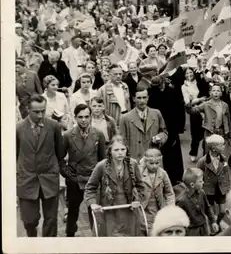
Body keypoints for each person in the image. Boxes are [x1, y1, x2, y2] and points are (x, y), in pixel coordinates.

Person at [16, 95, 64, 237]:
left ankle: (47, 247)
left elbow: (59, 152)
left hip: (49, 179)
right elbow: (14, 155)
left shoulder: (54, 126)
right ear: (27, 110)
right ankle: (32, 242)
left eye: (43, 111)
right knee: (29, 220)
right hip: (27, 180)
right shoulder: (18, 129)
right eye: (36, 112)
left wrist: (58, 171)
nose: (40, 115)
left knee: (51, 221)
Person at [58, 103, 106, 236]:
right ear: (75, 118)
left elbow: (103, 160)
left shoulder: (98, 134)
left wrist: (101, 178)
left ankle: (97, 236)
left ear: (91, 117)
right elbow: (59, 158)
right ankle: (70, 236)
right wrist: (67, 173)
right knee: (73, 211)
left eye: (86, 116)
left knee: (95, 211)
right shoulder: (68, 135)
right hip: (75, 179)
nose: (83, 120)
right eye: (80, 117)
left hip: (93, 179)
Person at [84, 136, 145, 237]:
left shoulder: (133, 164)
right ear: (110, 151)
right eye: (116, 150)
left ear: (126, 150)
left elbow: (140, 186)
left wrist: (137, 200)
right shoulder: (101, 166)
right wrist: (92, 204)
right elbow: (90, 188)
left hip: (129, 210)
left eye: (123, 149)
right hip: (109, 212)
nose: (120, 152)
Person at [147, 75, 185, 184]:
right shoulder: (172, 93)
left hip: (159, 128)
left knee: (162, 152)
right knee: (172, 154)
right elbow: (179, 112)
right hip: (171, 128)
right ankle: (174, 177)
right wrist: (179, 128)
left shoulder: (151, 95)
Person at [119, 86, 168, 160]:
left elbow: (164, 132)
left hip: (153, 158)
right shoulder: (125, 118)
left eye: (144, 97)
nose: (142, 101)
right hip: (135, 159)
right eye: (139, 98)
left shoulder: (156, 114)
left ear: (148, 98)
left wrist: (159, 138)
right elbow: (122, 142)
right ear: (134, 99)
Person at [138, 148, 175, 235]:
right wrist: (141, 166)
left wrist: (170, 207)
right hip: (144, 209)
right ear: (145, 162)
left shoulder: (163, 174)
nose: (154, 166)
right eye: (151, 163)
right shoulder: (140, 172)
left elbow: (169, 192)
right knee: (146, 230)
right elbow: (135, 182)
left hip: (158, 208)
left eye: (157, 163)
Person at [190, 83, 231, 155]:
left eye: (218, 91)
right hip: (210, 132)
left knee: (221, 154)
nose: (216, 92)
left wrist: (230, 135)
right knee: (209, 154)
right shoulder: (206, 104)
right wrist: (189, 103)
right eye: (214, 90)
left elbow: (228, 121)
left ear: (221, 93)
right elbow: (192, 111)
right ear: (210, 93)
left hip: (221, 132)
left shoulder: (225, 105)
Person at [175, 168, 219, 236]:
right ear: (192, 185)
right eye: (200, 181)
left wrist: (213, 222)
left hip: (204, 226)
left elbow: (208, 208)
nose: (203, 182)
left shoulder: (202, 192)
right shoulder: (181, 200)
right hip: (192, 231)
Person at [196, 135, 230, 216]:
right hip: (208, 190)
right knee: (212, 213)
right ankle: (214, 226)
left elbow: (226, 173)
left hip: (221, 189)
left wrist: (227, 186)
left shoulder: (224, 158)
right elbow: (197, 175)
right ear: (214, 148)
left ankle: (218, 223)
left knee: (222, 212)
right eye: (221, 145)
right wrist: (199, 189)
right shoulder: (202, 161)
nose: (224, 147)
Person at [182, 67, 207, 162]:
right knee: (196, 133)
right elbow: (187, 102)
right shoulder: (184, 86)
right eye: (187, 73)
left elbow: (206, 94)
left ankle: (206, 152)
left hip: (205, 108)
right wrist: (198, 100)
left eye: (191, 72)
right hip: (194, 111)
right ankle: (193, 152)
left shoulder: (199, 81)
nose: (189, 74)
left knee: (206, 131)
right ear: (184, 75)